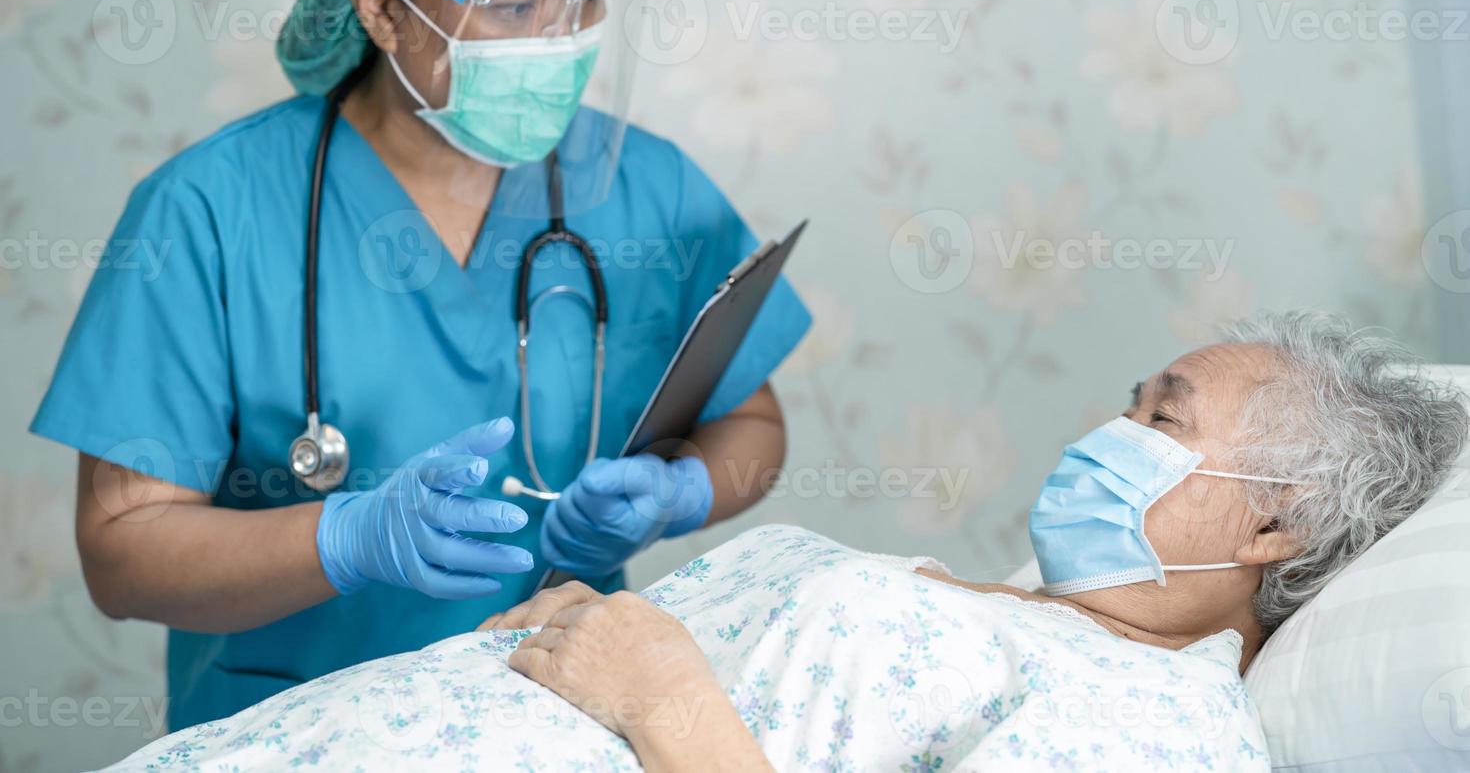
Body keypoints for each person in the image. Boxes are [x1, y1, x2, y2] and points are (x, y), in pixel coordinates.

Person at [29, 0, 808, 731]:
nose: (558, 43)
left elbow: (752, 424)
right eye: (514, 3)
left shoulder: (647, 188)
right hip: (298, 734)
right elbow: (123, 553)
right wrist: (346, 538)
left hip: (563, 727)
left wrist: (680, 495)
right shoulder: (207, 211)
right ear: (383, 8)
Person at [93, 312, 1470, 770]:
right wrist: (570, 618)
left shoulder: (1157, 729)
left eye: (1158, 417)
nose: (1107, 428)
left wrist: (664, 695)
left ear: (1273, 517)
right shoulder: (1023, 623)